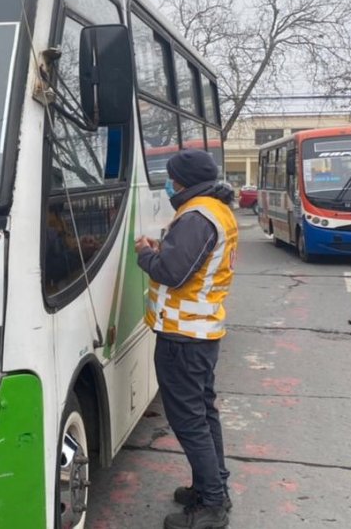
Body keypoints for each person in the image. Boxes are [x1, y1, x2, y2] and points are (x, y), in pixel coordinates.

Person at [134, 149, 238, 529]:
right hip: (201, 331)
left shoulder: (196, 215)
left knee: (190, 420)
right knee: (203, 413)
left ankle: (212, 506)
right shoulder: (215, 209)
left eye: (172, 176)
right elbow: (192, 263)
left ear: (183, 181)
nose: (168, 182)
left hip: (184, 336)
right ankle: (211, 486)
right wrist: (166, 249)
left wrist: (146, 254)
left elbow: (172, 273)